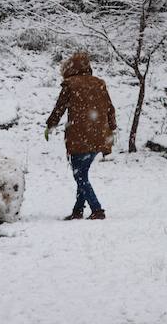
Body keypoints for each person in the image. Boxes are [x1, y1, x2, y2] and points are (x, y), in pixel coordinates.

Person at [44, 51, 116, 221]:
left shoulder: (70, 84)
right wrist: (112, 128)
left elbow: (60, 108)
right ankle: (78, 210)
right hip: (99, 136)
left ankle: (97, 209)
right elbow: (109, 108)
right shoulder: (99, 83)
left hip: (79, 137)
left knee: (80, 176)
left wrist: (51, 124)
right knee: (82, 174)